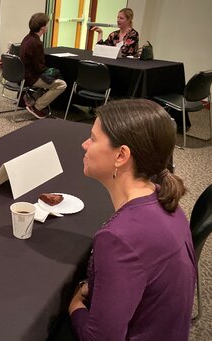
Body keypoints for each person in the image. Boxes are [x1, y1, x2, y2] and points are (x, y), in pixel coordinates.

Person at [68, 99, 196, 340]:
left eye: (93, 139)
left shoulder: (118, 238)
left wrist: (74, 305)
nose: (84, 144)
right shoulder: (163, 198)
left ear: (121, 155)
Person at [20, 13, 67, 119]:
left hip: (22, 75)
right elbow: (39, 68)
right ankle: (37, 107)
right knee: (61, 84)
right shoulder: (36, 43)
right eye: (47, 24)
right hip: (30, 77)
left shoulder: (27, 38)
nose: (48, 26)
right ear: (43, 27)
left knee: (51, 76)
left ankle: (33, 99)